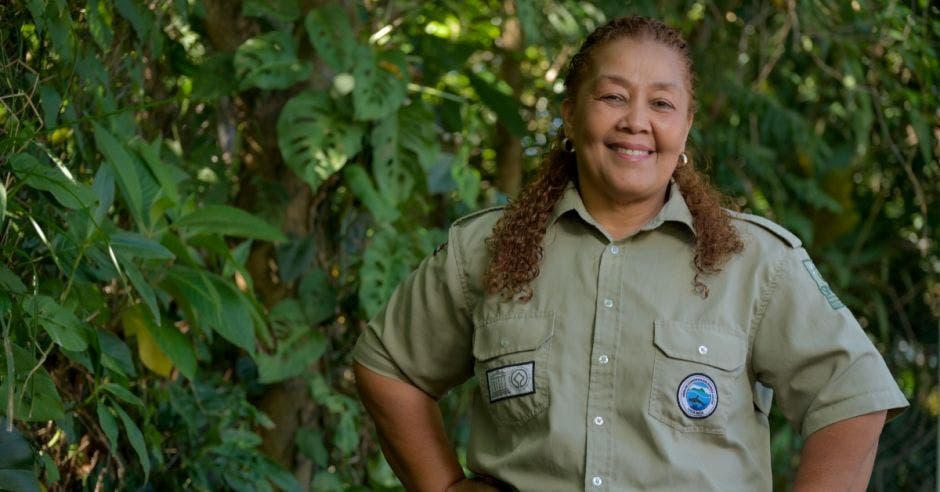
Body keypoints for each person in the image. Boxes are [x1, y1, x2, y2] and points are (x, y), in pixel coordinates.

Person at [353, 16, 908, 491]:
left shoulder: (756, 262)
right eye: (612, 96)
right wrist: (445, 486)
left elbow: (851, 398)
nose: (635, 121)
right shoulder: (484, 250)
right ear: (570, 115)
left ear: (686, 126)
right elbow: (390, 366)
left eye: (662, 103)